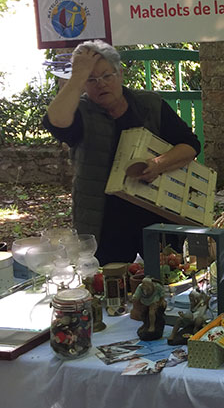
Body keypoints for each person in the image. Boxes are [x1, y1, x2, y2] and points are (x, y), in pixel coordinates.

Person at [44, 40, 201, 265]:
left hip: (158, 217)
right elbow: (56, 121)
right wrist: (78, 75)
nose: (101, 85)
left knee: (168, 281)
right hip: (104, 223)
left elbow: (190, 145)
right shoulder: (81, 113)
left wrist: (159, 163)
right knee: (110, 289)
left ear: (120, 74)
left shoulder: (149, 105)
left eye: (107, 76)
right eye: (91, 79)